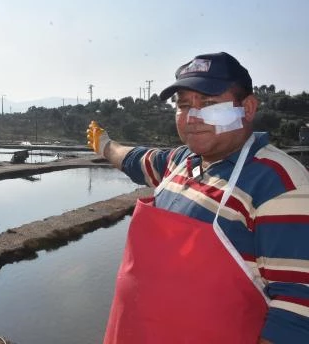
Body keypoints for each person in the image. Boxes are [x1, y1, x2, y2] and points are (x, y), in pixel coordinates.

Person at [87, 52, 309, 343]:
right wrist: (105, 145)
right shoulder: (180, 161)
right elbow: (134, 159)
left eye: (208, 103)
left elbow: (297, 308)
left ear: (248, 108)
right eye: (183, 105)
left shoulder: (278, 182)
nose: (193, 117)